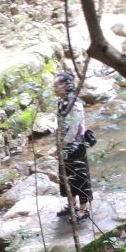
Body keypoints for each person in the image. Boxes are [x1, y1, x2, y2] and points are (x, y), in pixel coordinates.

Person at [54, 70, 92, 222]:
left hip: (75, 147)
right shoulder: (61, 102)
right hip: (64, 147)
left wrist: (60, 146)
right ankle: (71, 205)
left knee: (80, 178)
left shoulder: (74, 104)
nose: (54, 88)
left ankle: (84, 209)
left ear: (65, 86)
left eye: (56, 85)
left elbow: (75, 130)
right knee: (66, 178)